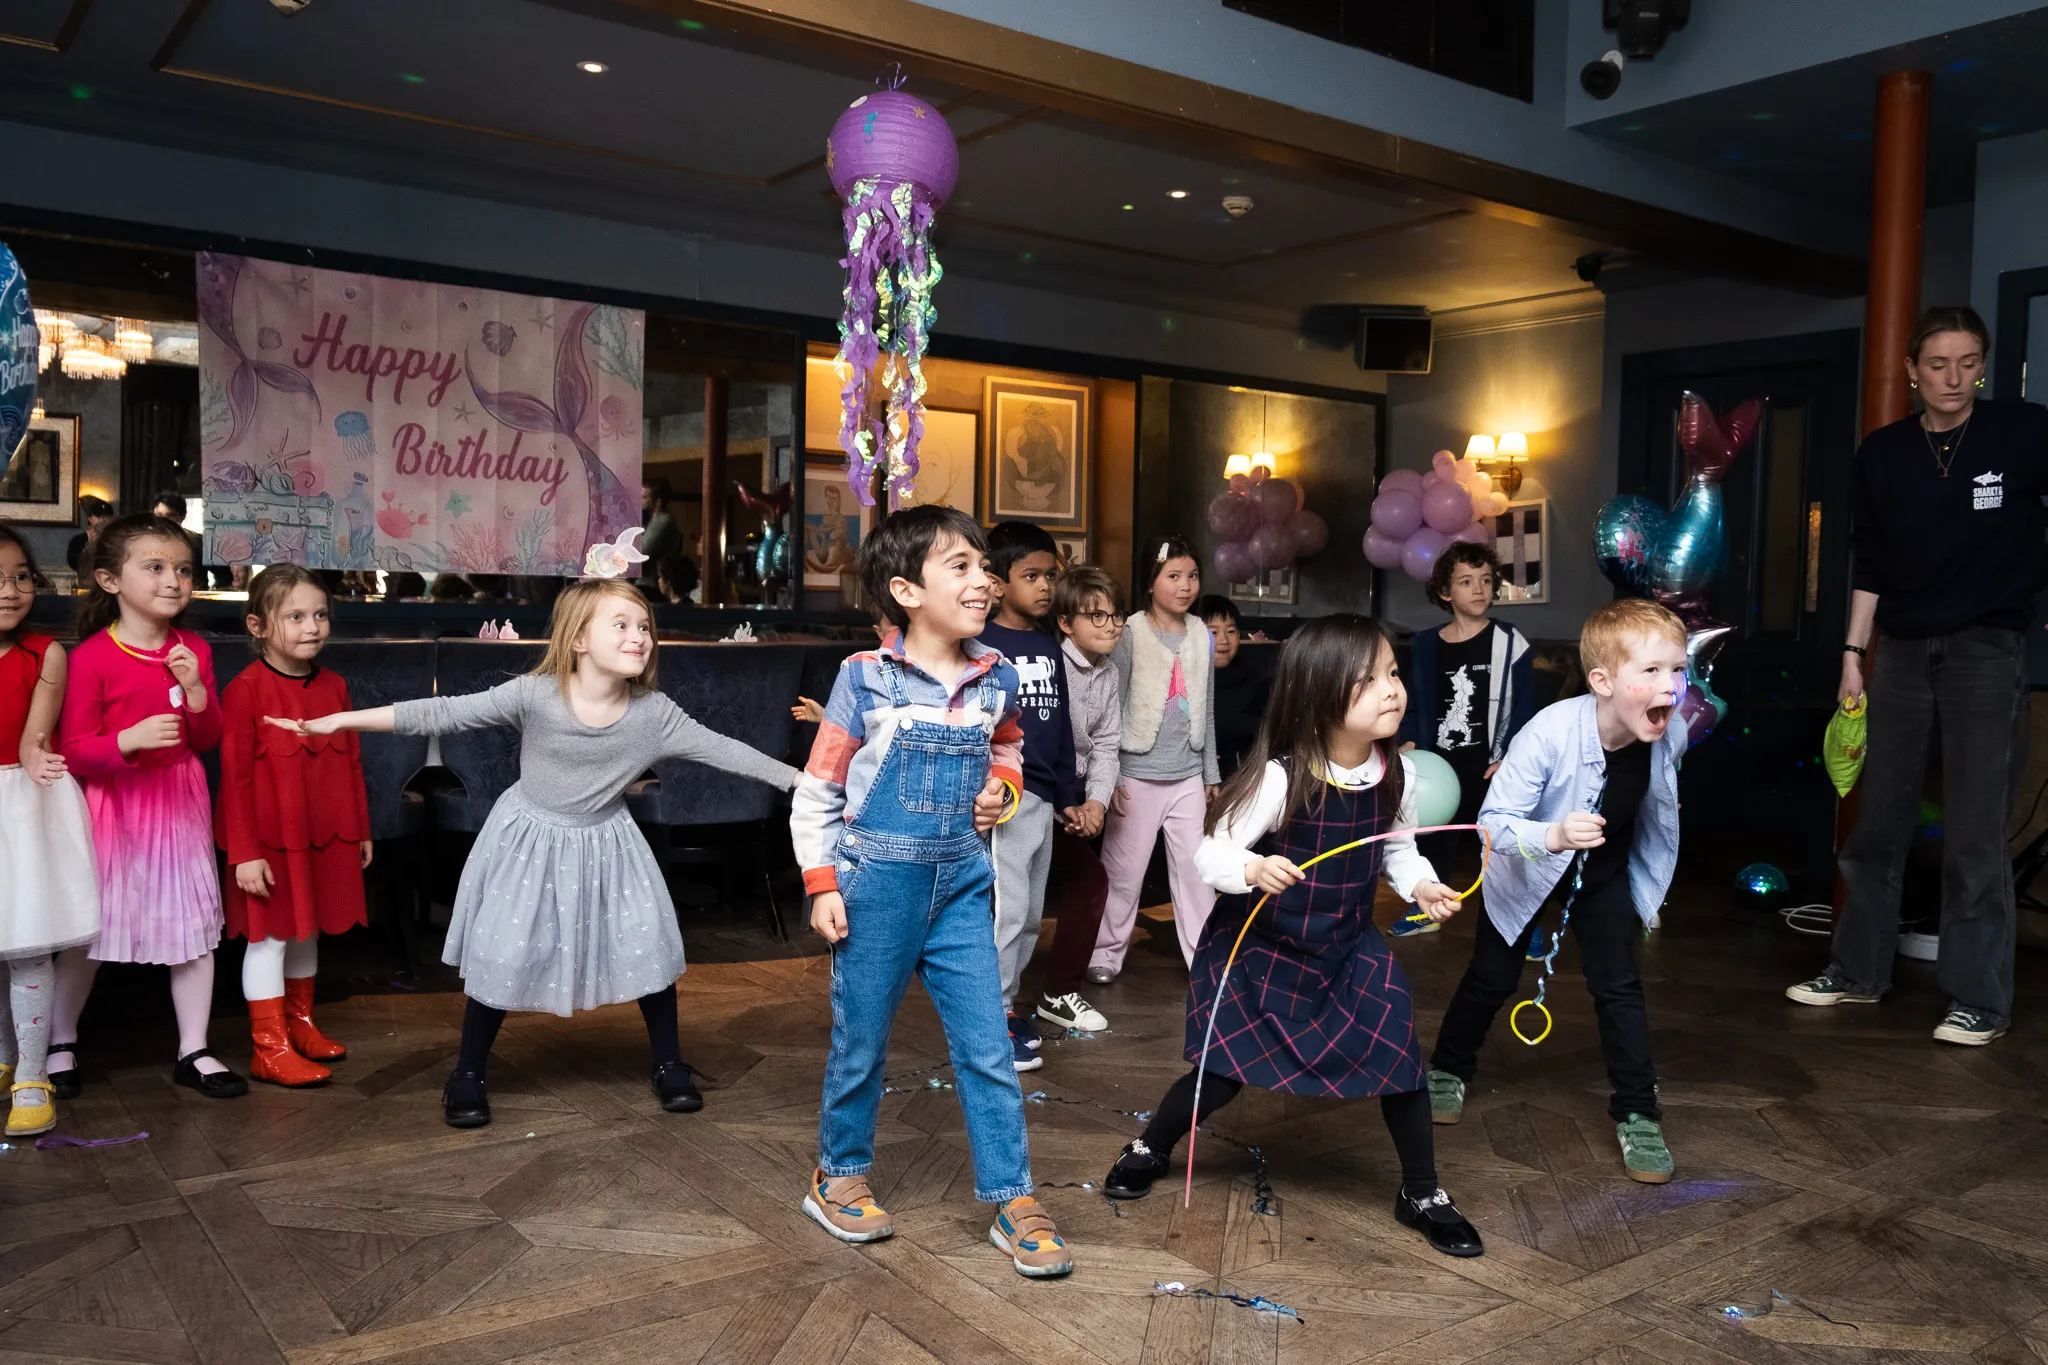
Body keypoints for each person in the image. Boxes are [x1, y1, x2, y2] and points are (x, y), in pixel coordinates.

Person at [273, 578, 799, 1125]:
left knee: (650, 949)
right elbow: (443, 713)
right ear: (578, 639)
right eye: (620, 625)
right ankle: (468, 1073)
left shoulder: (655, 714)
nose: (638, 636)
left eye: (644, 626)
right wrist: (340, 721)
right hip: (529, 840)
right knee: (503, 951)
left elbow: (726, 749)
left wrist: (799, 782)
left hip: (607, 842)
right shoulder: (537, 694)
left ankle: (669, 1063)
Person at [1099, 615, 1483, 1256]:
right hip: (1263, 951)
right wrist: (1248, 867)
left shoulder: (1400, 775)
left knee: (1403, 1065)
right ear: (1320, 694)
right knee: (1220, 1073)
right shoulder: (1283, 776)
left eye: (1392, 674)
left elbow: (1400, 852)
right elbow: (1208, 856)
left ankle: (1422, 1191)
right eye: (1370, 681)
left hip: (1348, 947)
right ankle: (1151, 1144)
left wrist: (1420, 886)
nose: (1392, 690)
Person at [788, 505, 1074, 1279]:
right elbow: (818, 789)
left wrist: (1002, 793)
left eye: (985, 566)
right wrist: (821, 885)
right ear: (906, 589)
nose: (983, 579)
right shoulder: (864, 679)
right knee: (863, 1038)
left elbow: (1010, 749)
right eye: (962, 566)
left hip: (962, 884)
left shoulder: (996, 678)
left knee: (989, 1045)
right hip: (876, 881)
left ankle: (1013, 1198)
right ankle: (837, 1173)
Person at [1787, 306, 2045, 1047]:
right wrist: (1850, 656)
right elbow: (1868, 562)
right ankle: (1858, 971)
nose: (1954, 377)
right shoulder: (1884, 453)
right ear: (1911, 372)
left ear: (1983, 365)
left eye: (1968, 362)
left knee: (1973, 833)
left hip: (1985, 651)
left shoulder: (2023, 434)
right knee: (1878, 821)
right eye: (1938, 364)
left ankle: (1978, 1000)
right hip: (1896, 651)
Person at [1426, 598, 1688, 1184]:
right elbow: (1492, 822)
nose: (1670, 685)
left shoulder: (1671, 734)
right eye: (1651, 671)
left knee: (1618, 987)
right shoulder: (1547, 732)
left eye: (1677, 668)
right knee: (1491, 976)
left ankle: (1639, 1113)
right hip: (1526, 865)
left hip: (1603, 873)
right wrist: (1553, 833)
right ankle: (1447, 1068)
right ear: (1602, 681)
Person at [48, 514, 246, 1101]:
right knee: (90, 931)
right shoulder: (90, 658)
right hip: (114, 809)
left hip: (178, 801)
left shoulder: (194, 649)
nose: (173, 581)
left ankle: (195, 1048)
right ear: (110, 581)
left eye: (182, 569)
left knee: (193, 930)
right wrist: (127, 742)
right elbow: (75, 753)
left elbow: (206, 738)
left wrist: (197, 693)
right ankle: (59, 1041)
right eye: (155, 567)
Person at [216, 566, 371, 1088]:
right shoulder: (245, 691)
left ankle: (301, 1023)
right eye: (296, 616)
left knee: (309, 930)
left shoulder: (336, 685)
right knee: (272, 936)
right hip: (268, 843)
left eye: (320, 615)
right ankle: (269, 1046)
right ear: (258, 625)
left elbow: (350, 762)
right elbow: (233, 780)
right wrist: (243, 851)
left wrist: (361, 830)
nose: (313, 627)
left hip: (325, 835)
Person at [0, 525, 99, 1137]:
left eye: (19, 577)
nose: (10, 591)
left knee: (27, 944)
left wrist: (36, 754)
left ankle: (34, 1074)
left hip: (22, 805)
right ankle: (5, 1058)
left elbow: (33, 737)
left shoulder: (45, 654)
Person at [1090, 534, 1218, 982]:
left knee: (1196, 871)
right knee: (1123, 872)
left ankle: (1203, 955)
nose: (1185, 586)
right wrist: (1111, 779)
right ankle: (1104, 953)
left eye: (1192, 576)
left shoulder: (1202, 633)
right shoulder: (1130, 632)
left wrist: (1210, 772)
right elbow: (1111, 702)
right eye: (1173, 576)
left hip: (1187, 775)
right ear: (1151, 582)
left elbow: (1207, 708)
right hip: (1136, 775)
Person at [980, 522, 1082, 1071]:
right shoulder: (983, 645)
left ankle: (1008, 1005)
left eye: (1050, 575)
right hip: (1006, 798)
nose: (1045, 587)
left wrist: (1068, 791)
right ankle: (989, 1017)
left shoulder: (1048, 645)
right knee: (1007, 910)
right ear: (997, 583)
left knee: (1031, 914)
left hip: (1043, 796)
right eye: (1031, 576)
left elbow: (1061, 725)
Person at [1394, 542, 1534, 936]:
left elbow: (1525, 708)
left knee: (1504, 847)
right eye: (1467, 581)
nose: (1479, 589)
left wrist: (1510, 755)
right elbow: (1414, 703)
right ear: (1445, 592)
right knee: (1431, 843)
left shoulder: (1511, 642)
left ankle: (1523, 922)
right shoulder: (1423, 645)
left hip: (1491, 765)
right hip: (1438, 766)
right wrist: (1409, 743)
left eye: (1486, 580)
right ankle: (1427, 910)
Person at [1032, 564, 1121, 1034]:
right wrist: (1065, 801)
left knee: (1089, 881)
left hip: (1078, 796)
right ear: (1066, 623)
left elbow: (1107, 744)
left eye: (1115, 616)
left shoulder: (1107, 672)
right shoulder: (1048, 663)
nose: (1109, 626)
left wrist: (1098, 804)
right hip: (1036, 791)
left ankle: (1060, 992)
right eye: (1096, 617)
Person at [1197, 594, 1272, 779]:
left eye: (1231, 631)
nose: (1224, 640)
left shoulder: (1257, 678)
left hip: (1241, 775)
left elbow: (1269, 729)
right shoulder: (1182, 680)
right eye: (1213, 632)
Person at [64, 496, 112, 578]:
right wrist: (90, 545)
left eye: (106, 516)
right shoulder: (77, 541)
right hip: (86, 582)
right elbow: (75, 564)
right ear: (90, 518)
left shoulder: (115, 539)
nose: (103, 520)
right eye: (98, 516)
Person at [642, 477, 681, 566]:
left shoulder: (662, 522)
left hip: (652, 579)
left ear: (657, 502)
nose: (639, 500)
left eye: (643, 497)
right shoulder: (654, 520)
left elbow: (640, 552)